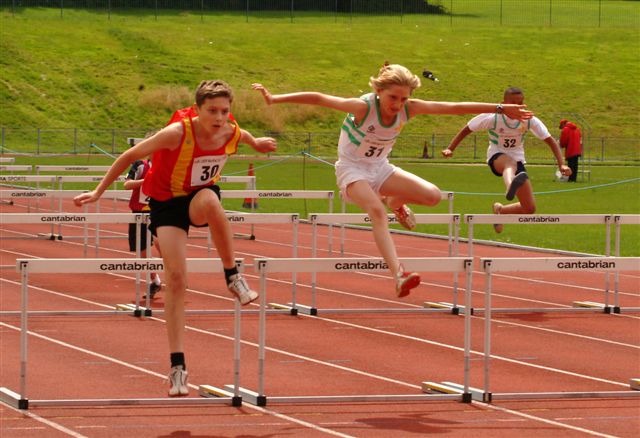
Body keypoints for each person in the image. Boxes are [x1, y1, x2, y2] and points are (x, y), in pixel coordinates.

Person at [252, 63, 532, 297]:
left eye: (404, 99)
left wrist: (500, 108)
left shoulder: (409, 109)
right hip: (352, 170)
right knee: (376, 211)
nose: (398, 105)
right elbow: (319, 97)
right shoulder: (362, 108)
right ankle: (398, 275)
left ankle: (395, 201)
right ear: (378, 91)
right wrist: (275, 98)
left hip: (381, 168)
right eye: (393, 98)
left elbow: (453, 107)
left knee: (433, 196)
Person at [74, 80, 277, 397]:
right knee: (177, 278)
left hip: (197, 198)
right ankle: (177, 366)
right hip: (166, 204)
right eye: (212, 111)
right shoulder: (177, 133)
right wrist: (98, 191)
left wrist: (258, 144)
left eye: (225, 111)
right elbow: (130, 155)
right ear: (197, 110)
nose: (219, 117)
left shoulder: (230, 131)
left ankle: (232, 275)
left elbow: (244, 136)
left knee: (211, 201)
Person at [442, 87, 571, 233]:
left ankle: (501, 210)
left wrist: (562, 165)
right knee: (509, 163)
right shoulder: (493, 118)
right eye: (513, 103)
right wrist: (450, 148)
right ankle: (510, 186)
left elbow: (550, 140)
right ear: (503, 103)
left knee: (529, 208)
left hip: (518, 161)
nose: (517, 107)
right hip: (497, 157)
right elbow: (468, 128)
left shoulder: (529, 120)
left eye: (520, 103)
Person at [124, 132, 162, 299]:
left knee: (163, 244)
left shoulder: (166, 167)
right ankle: (156, 281)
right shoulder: (140, 165)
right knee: (142, 252)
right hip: (139, 213)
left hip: (158, 212)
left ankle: (177, 274)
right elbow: (127, 184)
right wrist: (145, 182)